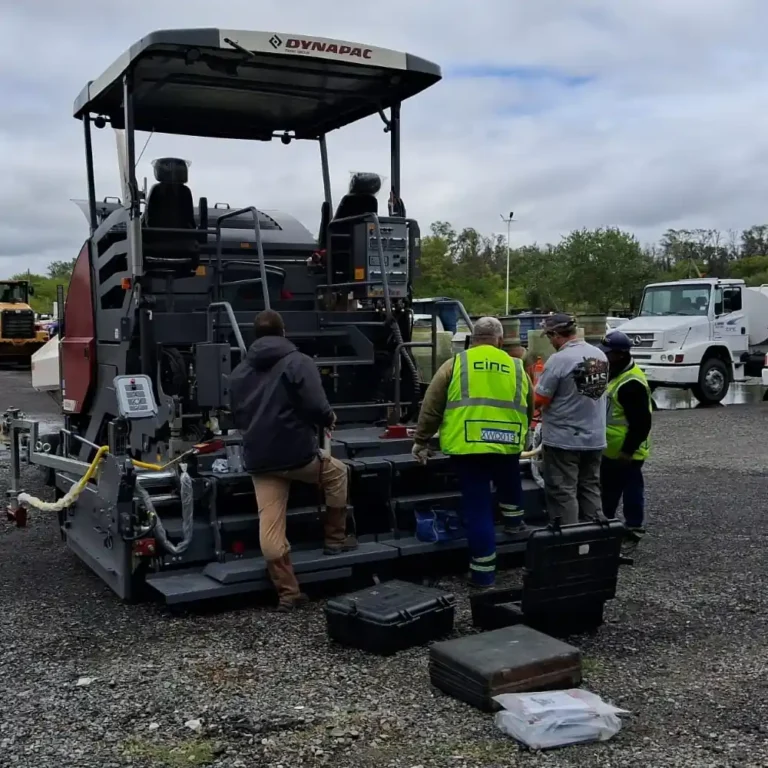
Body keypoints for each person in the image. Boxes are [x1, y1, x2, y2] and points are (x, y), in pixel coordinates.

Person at [229, 309, 356, 611]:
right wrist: (328, 418)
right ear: (283, 332)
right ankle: (335, 540)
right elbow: (315, 402)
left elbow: (235, 413)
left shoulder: (238, 373)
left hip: (260, 459)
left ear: (255, 335)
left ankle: (288, 594)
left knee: (270, 525)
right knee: (338, 473)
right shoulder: (299, 362)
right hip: (297, 455)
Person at [411, 316, 533, 588]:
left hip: (468, 444)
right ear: (500, 340)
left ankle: (483, 575)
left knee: (478, 508)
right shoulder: (517, 367)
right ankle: (515, 523)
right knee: (510, 481)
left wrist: (421, 440)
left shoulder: (455, 364)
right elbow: (529, 403)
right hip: (507, 441)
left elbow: (431, 407)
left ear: (472, 339)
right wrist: (523, 436)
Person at [534, 313, 609, 525]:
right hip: (595, 437)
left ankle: (568, 542)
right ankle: (596, 540)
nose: (550, 342)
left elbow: (539, 398)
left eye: (549, 337)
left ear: (556, 334)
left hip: (564, 440)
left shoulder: (558, 360)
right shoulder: (599, 356)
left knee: (563, 491)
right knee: (590, 487)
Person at [598, 330, 652, 555]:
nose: (604, 357)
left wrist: (627, 451)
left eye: (607, 354)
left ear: (620, 355)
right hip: (610, 450)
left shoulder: (631, 384)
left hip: (626, 451)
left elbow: (641, 423)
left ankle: (633, 529)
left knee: (630, 489)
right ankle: (606, 526)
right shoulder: (615, 373)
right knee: (609, 489)